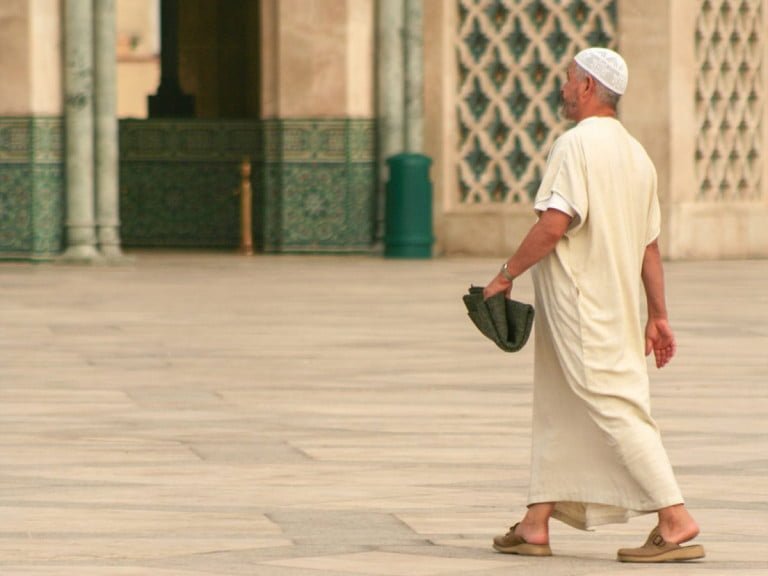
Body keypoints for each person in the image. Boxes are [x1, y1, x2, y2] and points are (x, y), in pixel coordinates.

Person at [482, 47, 704, 563]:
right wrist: (659, 314)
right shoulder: (636, 155)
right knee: (562, 404)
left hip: (582, 307)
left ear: (585, 87)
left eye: (566, 79)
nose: (561, 88)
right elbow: (650, 246)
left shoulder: (575, 145)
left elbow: (554, 224)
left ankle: (674, 518)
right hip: (617, 308)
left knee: (615, 406)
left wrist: (505, 275)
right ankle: (536, 523)